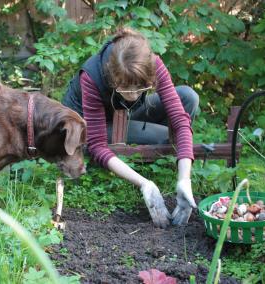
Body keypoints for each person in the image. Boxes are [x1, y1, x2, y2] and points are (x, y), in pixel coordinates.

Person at [62, 28, 199, 228]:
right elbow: (97, 145)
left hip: (122, 113)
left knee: (188, 96)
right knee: (162, 136)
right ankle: (152, 159)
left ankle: (166, 163)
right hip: (86, 127)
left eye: (140, 88)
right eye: (127, 88)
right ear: (113, 79)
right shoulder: (92, 76)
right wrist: (145, 184)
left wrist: (184, 179)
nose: (134, 95)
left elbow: (179, 119)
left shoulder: (149, 63)